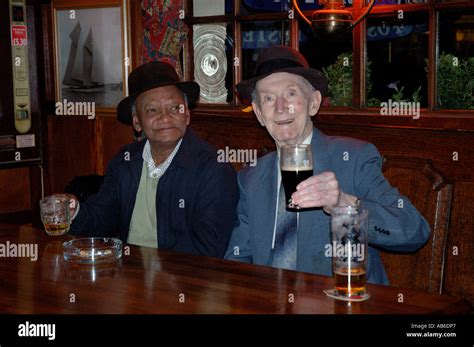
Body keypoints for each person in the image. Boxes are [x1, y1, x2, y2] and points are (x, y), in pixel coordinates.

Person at [225, 46, 430, 284]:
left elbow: (414, 230)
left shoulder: (354, 158)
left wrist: (345, 205)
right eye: (268, 98)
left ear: (314, 103)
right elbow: (239, 257)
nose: (281, 107)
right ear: (259, 114)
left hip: (341, 302)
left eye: (291, 94)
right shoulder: (251, 176)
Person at [67, 61, 239, 257]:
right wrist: (75, 211)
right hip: (128, 277)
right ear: (137, 122)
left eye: (175, 108)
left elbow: (208, 250)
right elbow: (102, 219)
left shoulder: (214, 169)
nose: (165, 118)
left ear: (187, 115)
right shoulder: (125, 161)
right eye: (152, 110)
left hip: (183, 282)